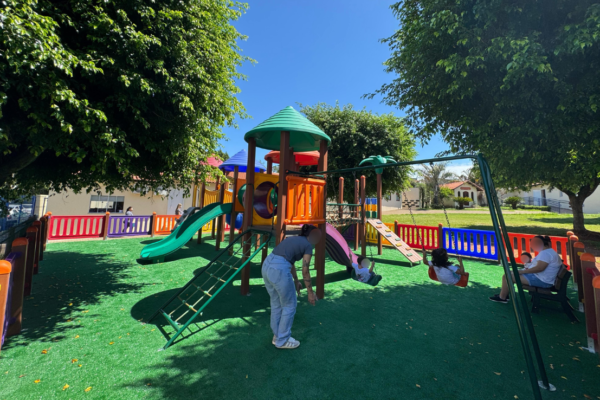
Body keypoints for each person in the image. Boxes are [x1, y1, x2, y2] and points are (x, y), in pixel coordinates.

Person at [262, 224, 321, 349]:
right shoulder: (308, 246)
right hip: (279, 270)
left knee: (276, 303)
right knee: (289, 305)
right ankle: (282, 340)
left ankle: (277, 336)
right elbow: (305, 270)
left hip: (267, 266)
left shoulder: (292, 239)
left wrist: (296, 280)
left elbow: (290, 261)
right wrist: (310, 293)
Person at [489, 235, 562, 303]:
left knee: (507, 276)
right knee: (510, 273)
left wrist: (522, 272)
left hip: (542, 281)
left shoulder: (545, 254)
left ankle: (503, 298)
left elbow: (539, 268)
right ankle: (504, 295)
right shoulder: (549, 252)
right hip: (544, 279)